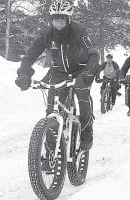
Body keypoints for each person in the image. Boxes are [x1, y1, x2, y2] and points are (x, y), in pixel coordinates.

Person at [15, 0, 100, 151]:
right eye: (55, 20)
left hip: (80, 70)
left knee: (82, 93)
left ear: (68, 19)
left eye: (61, 20)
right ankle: (50, 150)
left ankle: (87, 129)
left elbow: (93, 53)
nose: (58, 23)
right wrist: (24, 74)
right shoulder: (47, 34)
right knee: (51, 108)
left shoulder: (79, 31)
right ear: (51, 19)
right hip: (59, 72)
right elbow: (29, 57)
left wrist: (88, 72)